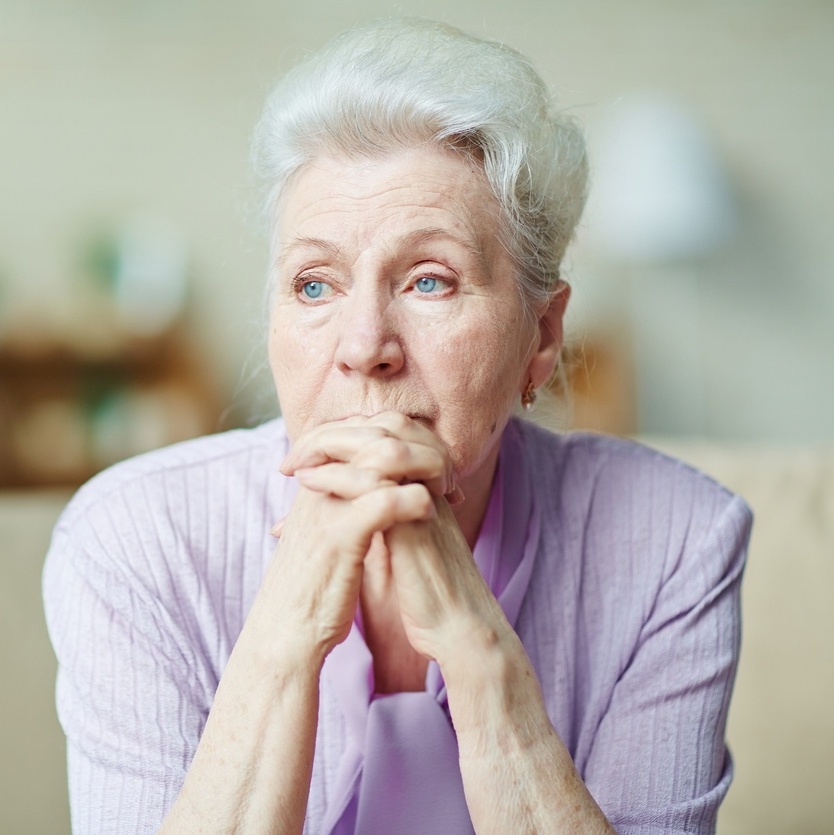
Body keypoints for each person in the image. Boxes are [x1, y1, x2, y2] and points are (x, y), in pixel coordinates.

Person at [43, 18, 751, 835]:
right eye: (315, 285)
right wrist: (286, 629)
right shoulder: (132, 541)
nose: (362, 347)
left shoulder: (677, 542)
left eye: (429, 280)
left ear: (543, 337)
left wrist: (478, 653)